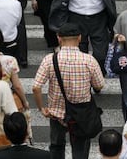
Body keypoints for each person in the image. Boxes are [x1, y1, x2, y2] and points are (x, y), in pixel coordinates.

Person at [32, 23, 105, 159]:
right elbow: (99, 85)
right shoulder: (89, 60)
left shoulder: (50, 59)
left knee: (56, 144)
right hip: (81, 114)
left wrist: (41, 108)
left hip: (56, 112)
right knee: (80, 148)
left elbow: (36, 87)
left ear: (59, 38)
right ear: (79, 38)